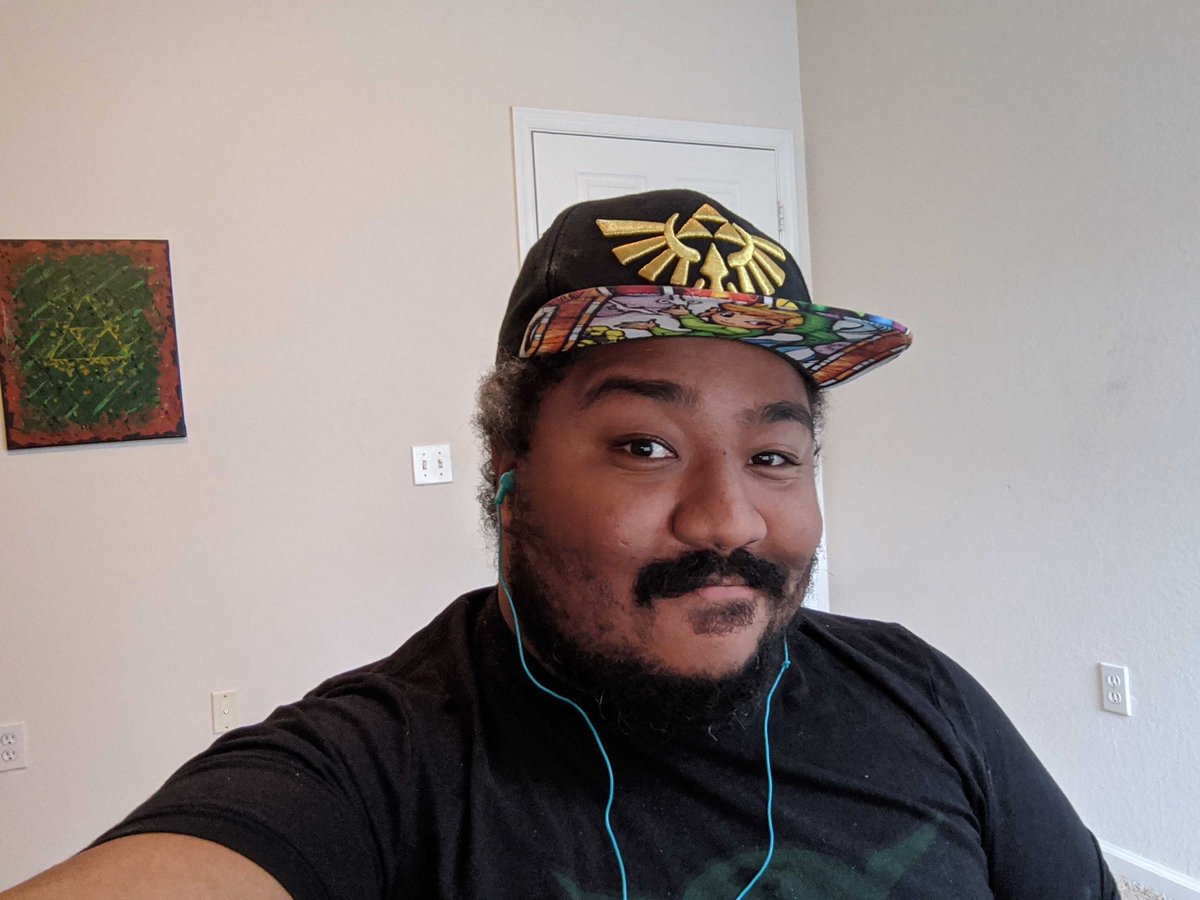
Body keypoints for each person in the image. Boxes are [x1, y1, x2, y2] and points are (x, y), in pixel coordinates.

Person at [4, 190, 1118, 899]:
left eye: (775, 454)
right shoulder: (381, 766)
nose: (729, 520)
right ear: (509, 471)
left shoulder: (920, 693)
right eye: (644, 445)